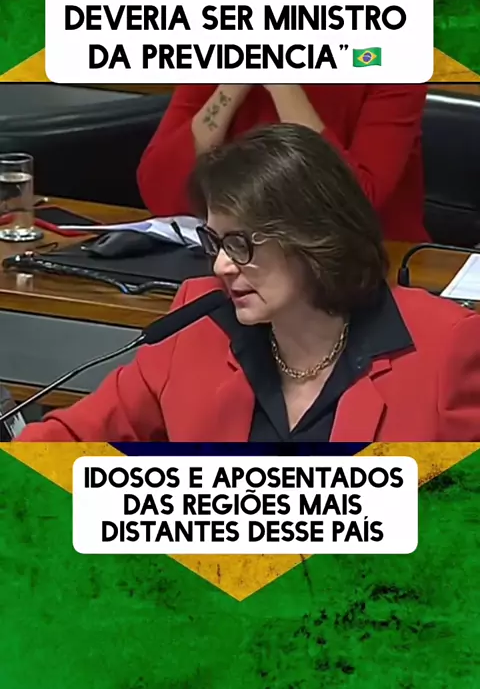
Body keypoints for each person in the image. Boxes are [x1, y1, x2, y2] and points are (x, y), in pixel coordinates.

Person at [19, 124, 480, 443]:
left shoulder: (444, 347)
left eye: (240, 243)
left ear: (314, 237)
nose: (222, 265)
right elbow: (71, 438)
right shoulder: (197, 323)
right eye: (215, 242)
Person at [137, 83, 429, 242]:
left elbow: (351, 203)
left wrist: (283, 86)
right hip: (237, 255)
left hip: (364, 263)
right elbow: (160, 192)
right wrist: (232, 86)